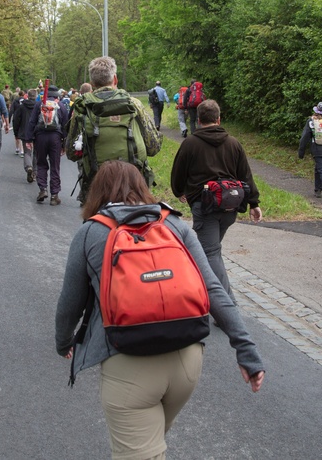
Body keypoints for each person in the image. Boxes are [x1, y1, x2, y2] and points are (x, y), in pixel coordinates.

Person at [55, 160, 265, 460]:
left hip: (128, 364)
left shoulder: (91, 232)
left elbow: (69, 304)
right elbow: (214, 289)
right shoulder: (175, 224)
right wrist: (246, 349)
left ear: (97, 193)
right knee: (151, 445)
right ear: (142, 187)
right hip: (186, 362)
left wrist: (63, 341)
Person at [171, 99, 262, 298]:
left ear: (199, 119)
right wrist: (253, 203)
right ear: (218, 119)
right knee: (211, 250)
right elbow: (245, 176)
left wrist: (179, 191)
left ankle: (227, 304)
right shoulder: (233, 143)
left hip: (205, 207)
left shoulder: (190, 144)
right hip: (230, 207)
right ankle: (202, 292)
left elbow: (178, 172)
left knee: (209, 253)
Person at [66, 56, 161, 204]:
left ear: (92, 84)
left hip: (98, 188)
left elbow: (71, 153)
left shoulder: (82, 108)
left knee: (97, 225)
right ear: (115, 79)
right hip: (133, 188)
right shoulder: (134, 104)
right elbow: (153, 147)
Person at [24, 84, 70, 205]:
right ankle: (54, 195)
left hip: (40, 137)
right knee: (55, 166)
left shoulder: (39, 105)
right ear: (57, 95)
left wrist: (28, 139)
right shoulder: (60, 106)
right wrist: (64, 144)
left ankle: (42, 189)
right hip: (55, 138)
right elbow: (66, 126)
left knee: (41, 164)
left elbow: (32, 122)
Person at [298, 101, 322, 204]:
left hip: (317, 149)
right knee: (319, 168)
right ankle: (317, 189)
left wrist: (301, 152)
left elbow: (305, 137)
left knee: (321, 169)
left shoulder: (311, 121)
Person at [12, 89, 38, 182]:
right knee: (36, 153)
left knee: (27, 152)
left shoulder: (22, 107)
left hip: (25, 133)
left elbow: (16, 120)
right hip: (37, 133)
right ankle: (35, 173)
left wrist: (16, 133)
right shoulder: (39, 107)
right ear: (36, 96)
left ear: (27, 96)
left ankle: (28, 167)